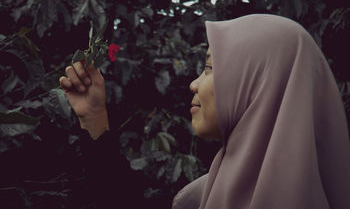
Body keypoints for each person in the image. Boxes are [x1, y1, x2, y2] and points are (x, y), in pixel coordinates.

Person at [60, 14, 350, 209]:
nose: (194, 83)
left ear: (261, 84)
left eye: (210, 67)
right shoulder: (201, 196)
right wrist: (94, 116)